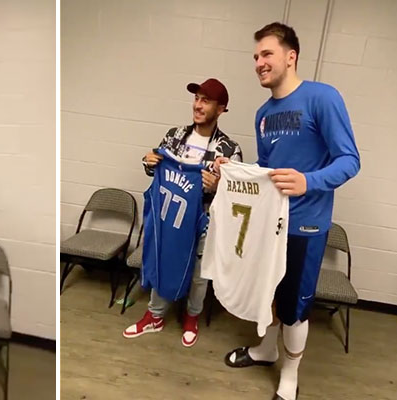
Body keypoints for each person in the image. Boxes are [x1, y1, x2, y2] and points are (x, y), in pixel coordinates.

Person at [217, 22, 360, 400]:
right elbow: (265, 174)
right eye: (255, 57)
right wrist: (229, 173)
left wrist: (308, 182)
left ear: (290, 56)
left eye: (266, 54)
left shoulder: (322, 98)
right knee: (269, 294)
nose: (259, 63)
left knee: (295, 306)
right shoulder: (263, 114)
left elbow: (350, 160)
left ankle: (290, 376)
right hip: (270, 225)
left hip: (306, 227)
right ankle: (266, 350)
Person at [123, 78, 243, 347]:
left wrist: (219, 186)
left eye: (205, 100)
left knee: (200, 275)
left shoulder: (229, 149)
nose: (198, 105)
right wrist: (149, 161)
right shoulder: (174, 136)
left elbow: (236, 194)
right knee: (164, 260)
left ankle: (192, 317)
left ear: (221, 108)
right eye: (197, 98)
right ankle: (155, 316)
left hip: (204, 222)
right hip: (171, 217)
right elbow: (157, 172)